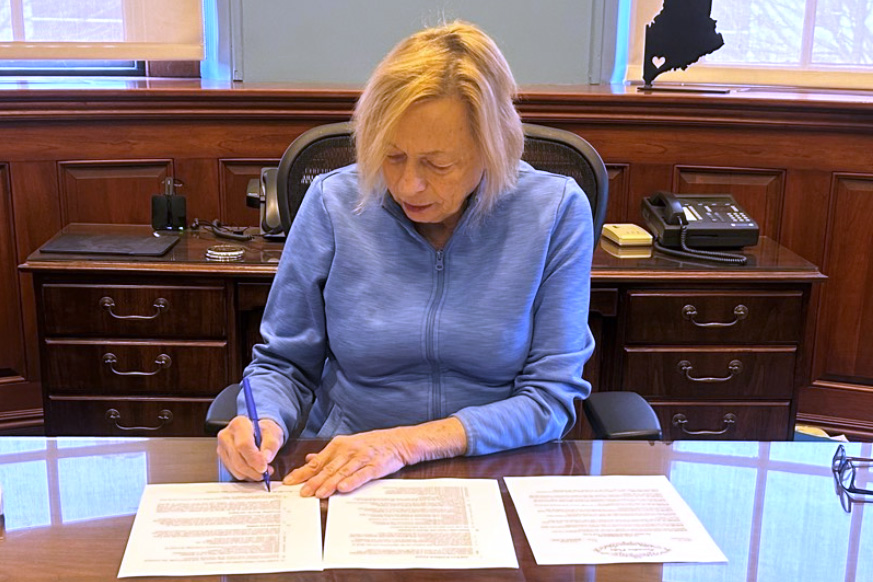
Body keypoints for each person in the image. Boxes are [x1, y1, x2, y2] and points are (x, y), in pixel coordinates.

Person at [217, 20, 595, 498]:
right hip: (342, 473)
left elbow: (549, 399)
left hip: (494, 471)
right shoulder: (334, 203)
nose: (407, 185)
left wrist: (403, 445)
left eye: (437, 164)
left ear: (493, 149)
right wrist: (261, 419)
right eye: (392, 156)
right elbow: (285, 364)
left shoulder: (555, 211)